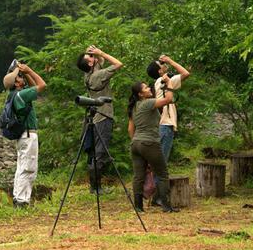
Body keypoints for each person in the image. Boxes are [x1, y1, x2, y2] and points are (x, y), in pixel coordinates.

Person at [76, 45, 123, 194]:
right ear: (90, 63)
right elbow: (118, 64)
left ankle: (94, 187)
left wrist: (94, 52)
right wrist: (101, 52)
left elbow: (100, 61)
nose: (93, 57)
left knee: (94, 152)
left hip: (96, 116)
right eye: (90, 57)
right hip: (103, 116)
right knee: (100, 152)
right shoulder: (97, 76)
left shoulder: (90, 74)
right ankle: (96, 188)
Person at [127, 79, 180, 213]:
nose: (149, 88)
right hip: (150, 142)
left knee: (138, 176)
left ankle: (138, 207)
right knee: (162, 173)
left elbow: (130, 129)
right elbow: (168, 99)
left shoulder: (134, 106)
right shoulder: (147, 103)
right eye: (146, 88)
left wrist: (136, 141)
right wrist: (169, 84)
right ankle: (166, 206)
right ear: (140, 94)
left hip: (136, 144)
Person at [146, 55, 190, 207]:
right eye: (162, 64)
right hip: (165, 126)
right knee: (161, 164)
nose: (165, 66)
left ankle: (157, 196)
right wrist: (170, 60)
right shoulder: (163, 81)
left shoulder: (159, 82)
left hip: (162, 125)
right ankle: (159, 197)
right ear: (159, 71)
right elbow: (185, 74)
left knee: (159, 163)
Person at [2, 62, 46, 208]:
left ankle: (19, 198)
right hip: (28, 135)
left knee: (22, 167)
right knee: (28, 168)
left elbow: (35, 88)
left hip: (23, 136)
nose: (22, 79)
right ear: (16, 82)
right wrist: (30, 70)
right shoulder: (21, 94)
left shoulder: (15, 95)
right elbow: (42, 85)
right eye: (20, 77)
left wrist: (26, 73)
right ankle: (21, 201)